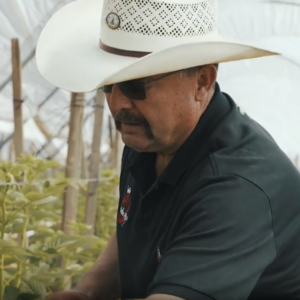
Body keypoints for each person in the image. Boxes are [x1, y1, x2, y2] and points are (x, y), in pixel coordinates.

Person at [36, 0, 300, 299]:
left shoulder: (240, 188)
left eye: (137, 85)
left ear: (201, 82)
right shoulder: (153, 138)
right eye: (108, 84)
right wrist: (88, 292)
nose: (119, 103)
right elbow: (139, 222)